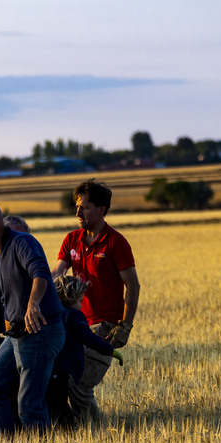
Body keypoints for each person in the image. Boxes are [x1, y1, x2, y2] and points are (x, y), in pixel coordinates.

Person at [0, 201, 65, 434]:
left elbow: (40, 272)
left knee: (30, 406)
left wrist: (33, 305)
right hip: (17, 334)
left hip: (40, 331)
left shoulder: (22, 242)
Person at [52, 178, 140, 420]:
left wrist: (126, 325)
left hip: (105, 325)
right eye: (77, 207)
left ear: (101, 210)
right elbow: (58, 273)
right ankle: (88, 431)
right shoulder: (72, 239)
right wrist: (33, 282)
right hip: (74, 324)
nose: (78, 212)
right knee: (63, 380)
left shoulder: (116, 242)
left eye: (85, 207)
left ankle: (91, 432)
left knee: (79, 383)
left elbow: (132, 285)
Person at [48, 275, 123, 428]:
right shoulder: (75, 316)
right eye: (80, 302)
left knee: (53, 403)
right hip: (67, 369)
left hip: (50, 369)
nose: (82, 307)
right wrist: (111, 351)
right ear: (70, 298)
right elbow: (89, 338)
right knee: (67, 404)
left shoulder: (52, 315)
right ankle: (76, 429)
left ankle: (62, 428)